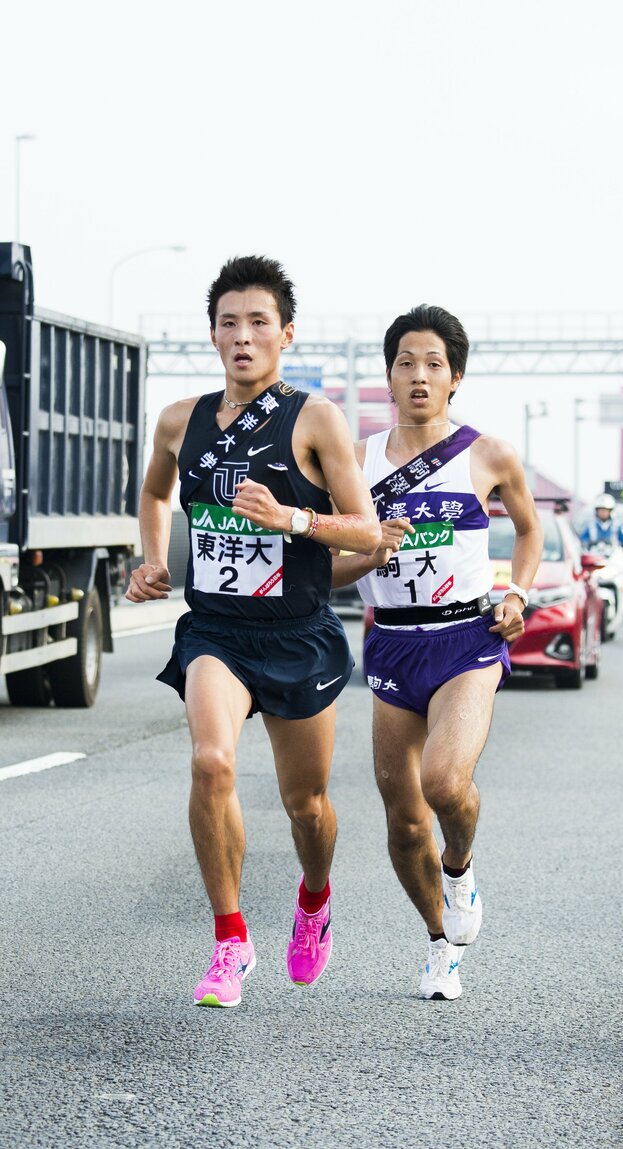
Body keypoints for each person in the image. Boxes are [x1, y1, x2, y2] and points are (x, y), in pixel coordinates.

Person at [125, 255, 381, 1007]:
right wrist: (151, 557)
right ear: (212, 334)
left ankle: (314, 897)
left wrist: (291, 518)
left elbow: (368, 532)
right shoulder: (180, 420)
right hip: (217, 632)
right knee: (211, 762)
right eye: (228, 323)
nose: (243, 336)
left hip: (298, 633)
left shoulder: (316, 419)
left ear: (286, 334)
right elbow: (154, 493)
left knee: (307, 805)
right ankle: (230, 941)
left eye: (258, 322)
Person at [332, 304, 544, 1001]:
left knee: (444, 784)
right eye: (405, 363)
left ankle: (460, 868)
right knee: (401, 821)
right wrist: (369, 553)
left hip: (466, 639)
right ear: (388, 375)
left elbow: (529, 530)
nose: (418, 376)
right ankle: (439, 945)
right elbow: (325, 569)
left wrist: (516, 593)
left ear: (456, 376)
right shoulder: (354, 461)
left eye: (433, 364)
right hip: (392, 641)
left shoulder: (488, 454)